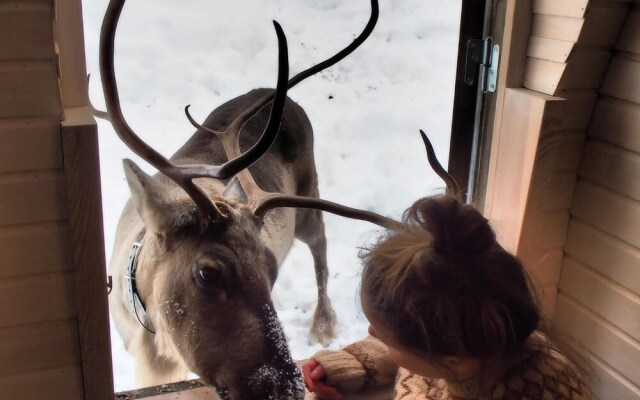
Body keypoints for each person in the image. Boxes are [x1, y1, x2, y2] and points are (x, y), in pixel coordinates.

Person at [301, 195, 592, 400]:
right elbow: (415, 356)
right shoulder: (478, 339)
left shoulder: (537, 389)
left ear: (453, 362)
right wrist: (349, 364)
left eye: (387, 339)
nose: (371, 333)